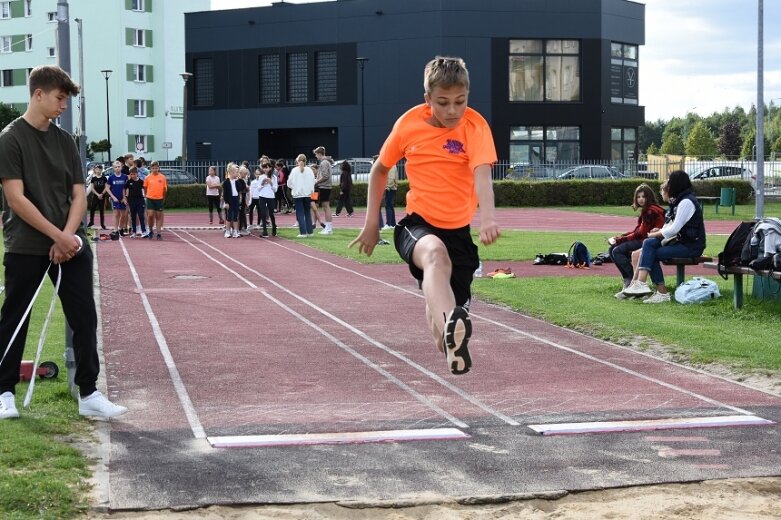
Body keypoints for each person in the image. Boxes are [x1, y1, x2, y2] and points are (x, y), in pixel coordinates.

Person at [349, 56, 500, 375]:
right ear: (427, 99)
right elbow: (379, 170)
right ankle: (453, 327)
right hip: (417, 227)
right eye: (443, 103)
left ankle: (451, 340)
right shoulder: (408, 125)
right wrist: (371, 223)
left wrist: (487, 217)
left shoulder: (475, 126)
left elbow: (482, 175)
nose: (452, 111)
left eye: (460, 102)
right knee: (435, 255)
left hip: (459, 232)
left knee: (438, 333)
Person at [0, 64, 128, 420]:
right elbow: (16, 199)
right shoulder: (10, 138)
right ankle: (4, 392)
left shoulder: (65, 141)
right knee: (14, 319)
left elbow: (79, 194)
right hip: (26, 244)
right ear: (38, 94)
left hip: (70, 244)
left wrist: (69, 236)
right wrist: (57, 235)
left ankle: (89, 393)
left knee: (84, 316)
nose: (63, 106)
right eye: (59, 98)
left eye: (66, 100)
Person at [622, 170, 706, 303]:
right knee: (649, 244)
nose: (669, 186)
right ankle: (642, 284)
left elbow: (675, 228)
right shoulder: (680, 201)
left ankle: (658, 291)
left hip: (691, 246)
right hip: (681, 242)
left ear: (677, 184)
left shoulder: (686, 202)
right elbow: (672, 225)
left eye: (671, 182)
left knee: (651, 250)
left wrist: (654, 233)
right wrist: (659, 230)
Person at [609, 183, 665, 296]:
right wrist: (621, 236)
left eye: (644, 197)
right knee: (612, 249)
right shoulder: (649, 209)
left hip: (649, 241)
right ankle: (628, 280)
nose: (641, 199)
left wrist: (620, 240)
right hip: (646, 239)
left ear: (649, 197)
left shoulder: (650, 211)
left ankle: (631, 282)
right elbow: (638, 230)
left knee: (616, 250)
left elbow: (641, 233)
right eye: (638, 197)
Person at [287, 154, 315, 238]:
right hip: (307, 195)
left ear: (297, 161)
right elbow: (313, 182)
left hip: (298, 195)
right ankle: (310, 232)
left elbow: (289, 183)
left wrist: (294, 188)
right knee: (307, 213)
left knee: (300, 214)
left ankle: (303, 233)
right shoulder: (309, 170)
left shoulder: (294, 170)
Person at [143, 160, 167, 240]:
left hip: (159, 199)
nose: (155, 169)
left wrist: (163, 198)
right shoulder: (147, 177)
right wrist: (147, 196)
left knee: (158, 216)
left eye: (156, 168)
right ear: (150, 168)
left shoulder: (162, 177)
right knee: (150, 215)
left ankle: (159, 233)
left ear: (158, 168)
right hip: (150, 198)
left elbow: (164, 189)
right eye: (153, 168)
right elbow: (145, 188)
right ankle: (150, 230)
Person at [221, 162, 245, 238]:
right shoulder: (226, 182)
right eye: (236, 172)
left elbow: (240, 189)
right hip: (230, 201)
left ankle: (235, 231)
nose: (237, 174)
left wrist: (237, 181)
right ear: (231, 173)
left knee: (235, 216)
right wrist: (226, 202)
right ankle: (227, 231)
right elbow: (225, 194)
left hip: (236, 200)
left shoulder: (237, 181)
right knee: (229, 216)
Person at [313, 146, 334, 234]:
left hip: (323, 187)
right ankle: (326, 227)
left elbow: (325, 176)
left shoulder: (324, 162)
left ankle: (328, 228)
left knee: (325, 207)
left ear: (319, 154)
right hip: (323, 187)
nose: (315, 156)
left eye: (316, 154)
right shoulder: (325, 162)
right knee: (321, 206)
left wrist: (316, 182)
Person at [106, 160, 129, 235]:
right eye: (116, 167)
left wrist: (125, 197)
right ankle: (115, 230)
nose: (117, 168)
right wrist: (112, 197)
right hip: (115, 198)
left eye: (119, 166)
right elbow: (107, 188)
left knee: (124, 215)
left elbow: (127, 188)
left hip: (123, 199)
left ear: (121, 167)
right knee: (116, 214)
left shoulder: (125, 177)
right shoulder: (111, 177)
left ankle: (121, 228)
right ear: (113, 168)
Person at [124, 166, 147, 237]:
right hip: (131, 201)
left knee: (141, 215)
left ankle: (144, 231)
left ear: (137, 174)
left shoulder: (141, 181)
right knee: (133, 217)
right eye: (131, 174)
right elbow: (124, 189)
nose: (133, 175)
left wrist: (145, 197)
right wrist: (125, 197)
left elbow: (144, 190)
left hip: (140, 201)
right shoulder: (128, 182)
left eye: (134, 174)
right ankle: (134, 232)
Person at [258, 161, 278, 237]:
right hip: (262, 196)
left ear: (270, 168)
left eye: (267, 167)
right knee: (263, 213)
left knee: (271, 214)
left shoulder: (274, 177)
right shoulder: (261, 177)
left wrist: (271, 183)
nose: (266, 169)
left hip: (270, 197)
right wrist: (263, 183)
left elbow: (275, 189)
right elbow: (259, 189)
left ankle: (274, 227)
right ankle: (265, 231)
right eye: (264, 168)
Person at [87, 164, 108, 229]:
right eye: (97, 169)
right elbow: (92, 188)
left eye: (99, 169)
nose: (98, 171)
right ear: (95, 170)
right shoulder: (94, 178)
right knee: (92, 208)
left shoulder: (104, 178)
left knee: (101, 210)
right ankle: (91, 221)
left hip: (102, 196)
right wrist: (97, 194)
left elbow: (106, 187)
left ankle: (102, 224)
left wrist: (102, 194)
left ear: (101, 170)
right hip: (96, 196)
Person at [382, 160, 398, 231]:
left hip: (390, 188)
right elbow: (396, 178)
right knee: (390, 206)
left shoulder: (391, 166)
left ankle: (388, 224)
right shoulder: (394, 165)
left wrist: (387, 187)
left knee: (388, 206)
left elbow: (391, 178)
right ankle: (393, 224)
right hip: (392, 188)